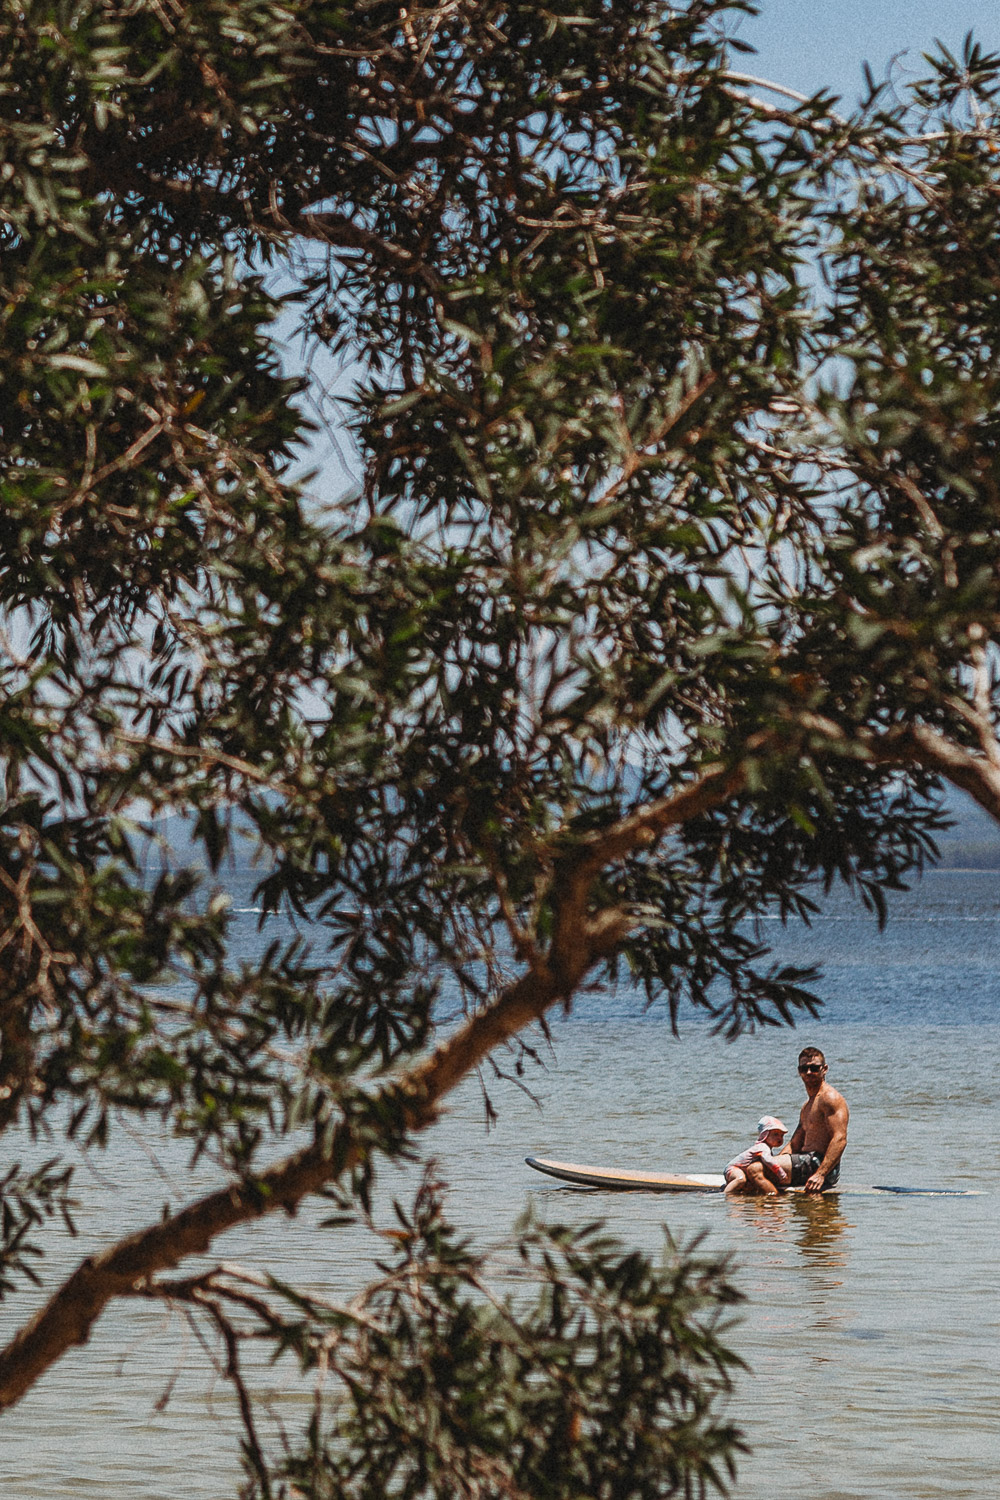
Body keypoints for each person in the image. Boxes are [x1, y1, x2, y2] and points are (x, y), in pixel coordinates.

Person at [776, 1046, 849, 1192]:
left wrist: (821, 1175)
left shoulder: (830, 1098)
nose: (809, 1072)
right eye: (804, 1069)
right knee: (753, 1167)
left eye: (814, 1068)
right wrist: (777, 1160)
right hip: (804, 1160)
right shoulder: (807, 1106)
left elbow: (840, 1139)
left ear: (825, 1069)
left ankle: (776, 1212)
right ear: (799, 1072)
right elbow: (794, 1144)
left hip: (821, 1166)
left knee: (756, 1168)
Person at [723, 1115, 790, 1196]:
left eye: (782, 1135)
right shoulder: (762, 1147)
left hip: (742, 1170)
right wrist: (781, 1174)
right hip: (733, 1169)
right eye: (775, 1134)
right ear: (765, 1135)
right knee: (741, 1179)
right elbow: (769, 1161)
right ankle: (724, 1195)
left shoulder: (766, 1149)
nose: (779, 1138)